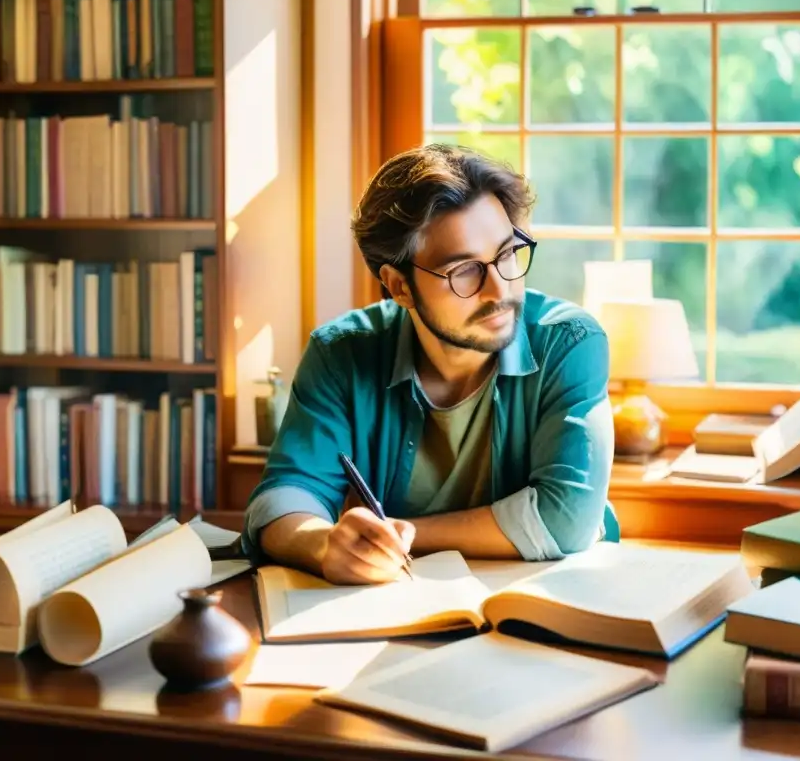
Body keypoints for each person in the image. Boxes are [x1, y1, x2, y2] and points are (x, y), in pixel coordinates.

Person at [241, 143, 619, 585]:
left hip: (549, 602)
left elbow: (565, 521)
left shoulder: (569, 341)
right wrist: (324, 544)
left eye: (507, 254)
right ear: (399, 286)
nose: (499, 289)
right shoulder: (342, 353)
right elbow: (282, 498)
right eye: (465, 270)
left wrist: (402, 536)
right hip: (401, 609)